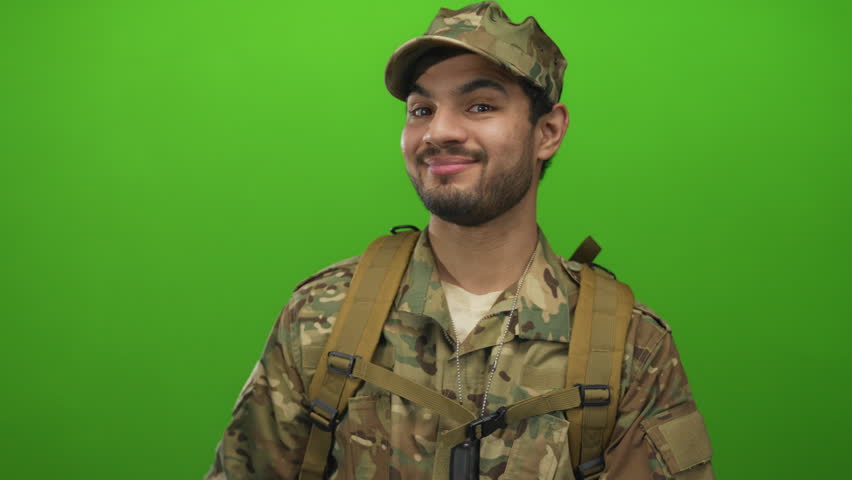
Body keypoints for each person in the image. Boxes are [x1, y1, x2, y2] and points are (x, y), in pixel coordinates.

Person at [205, 2, 714, 479]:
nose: (439, 132)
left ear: (548, 132)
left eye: (480, 105)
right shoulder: (322, 317)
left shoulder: (632, 348)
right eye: (421, 109)